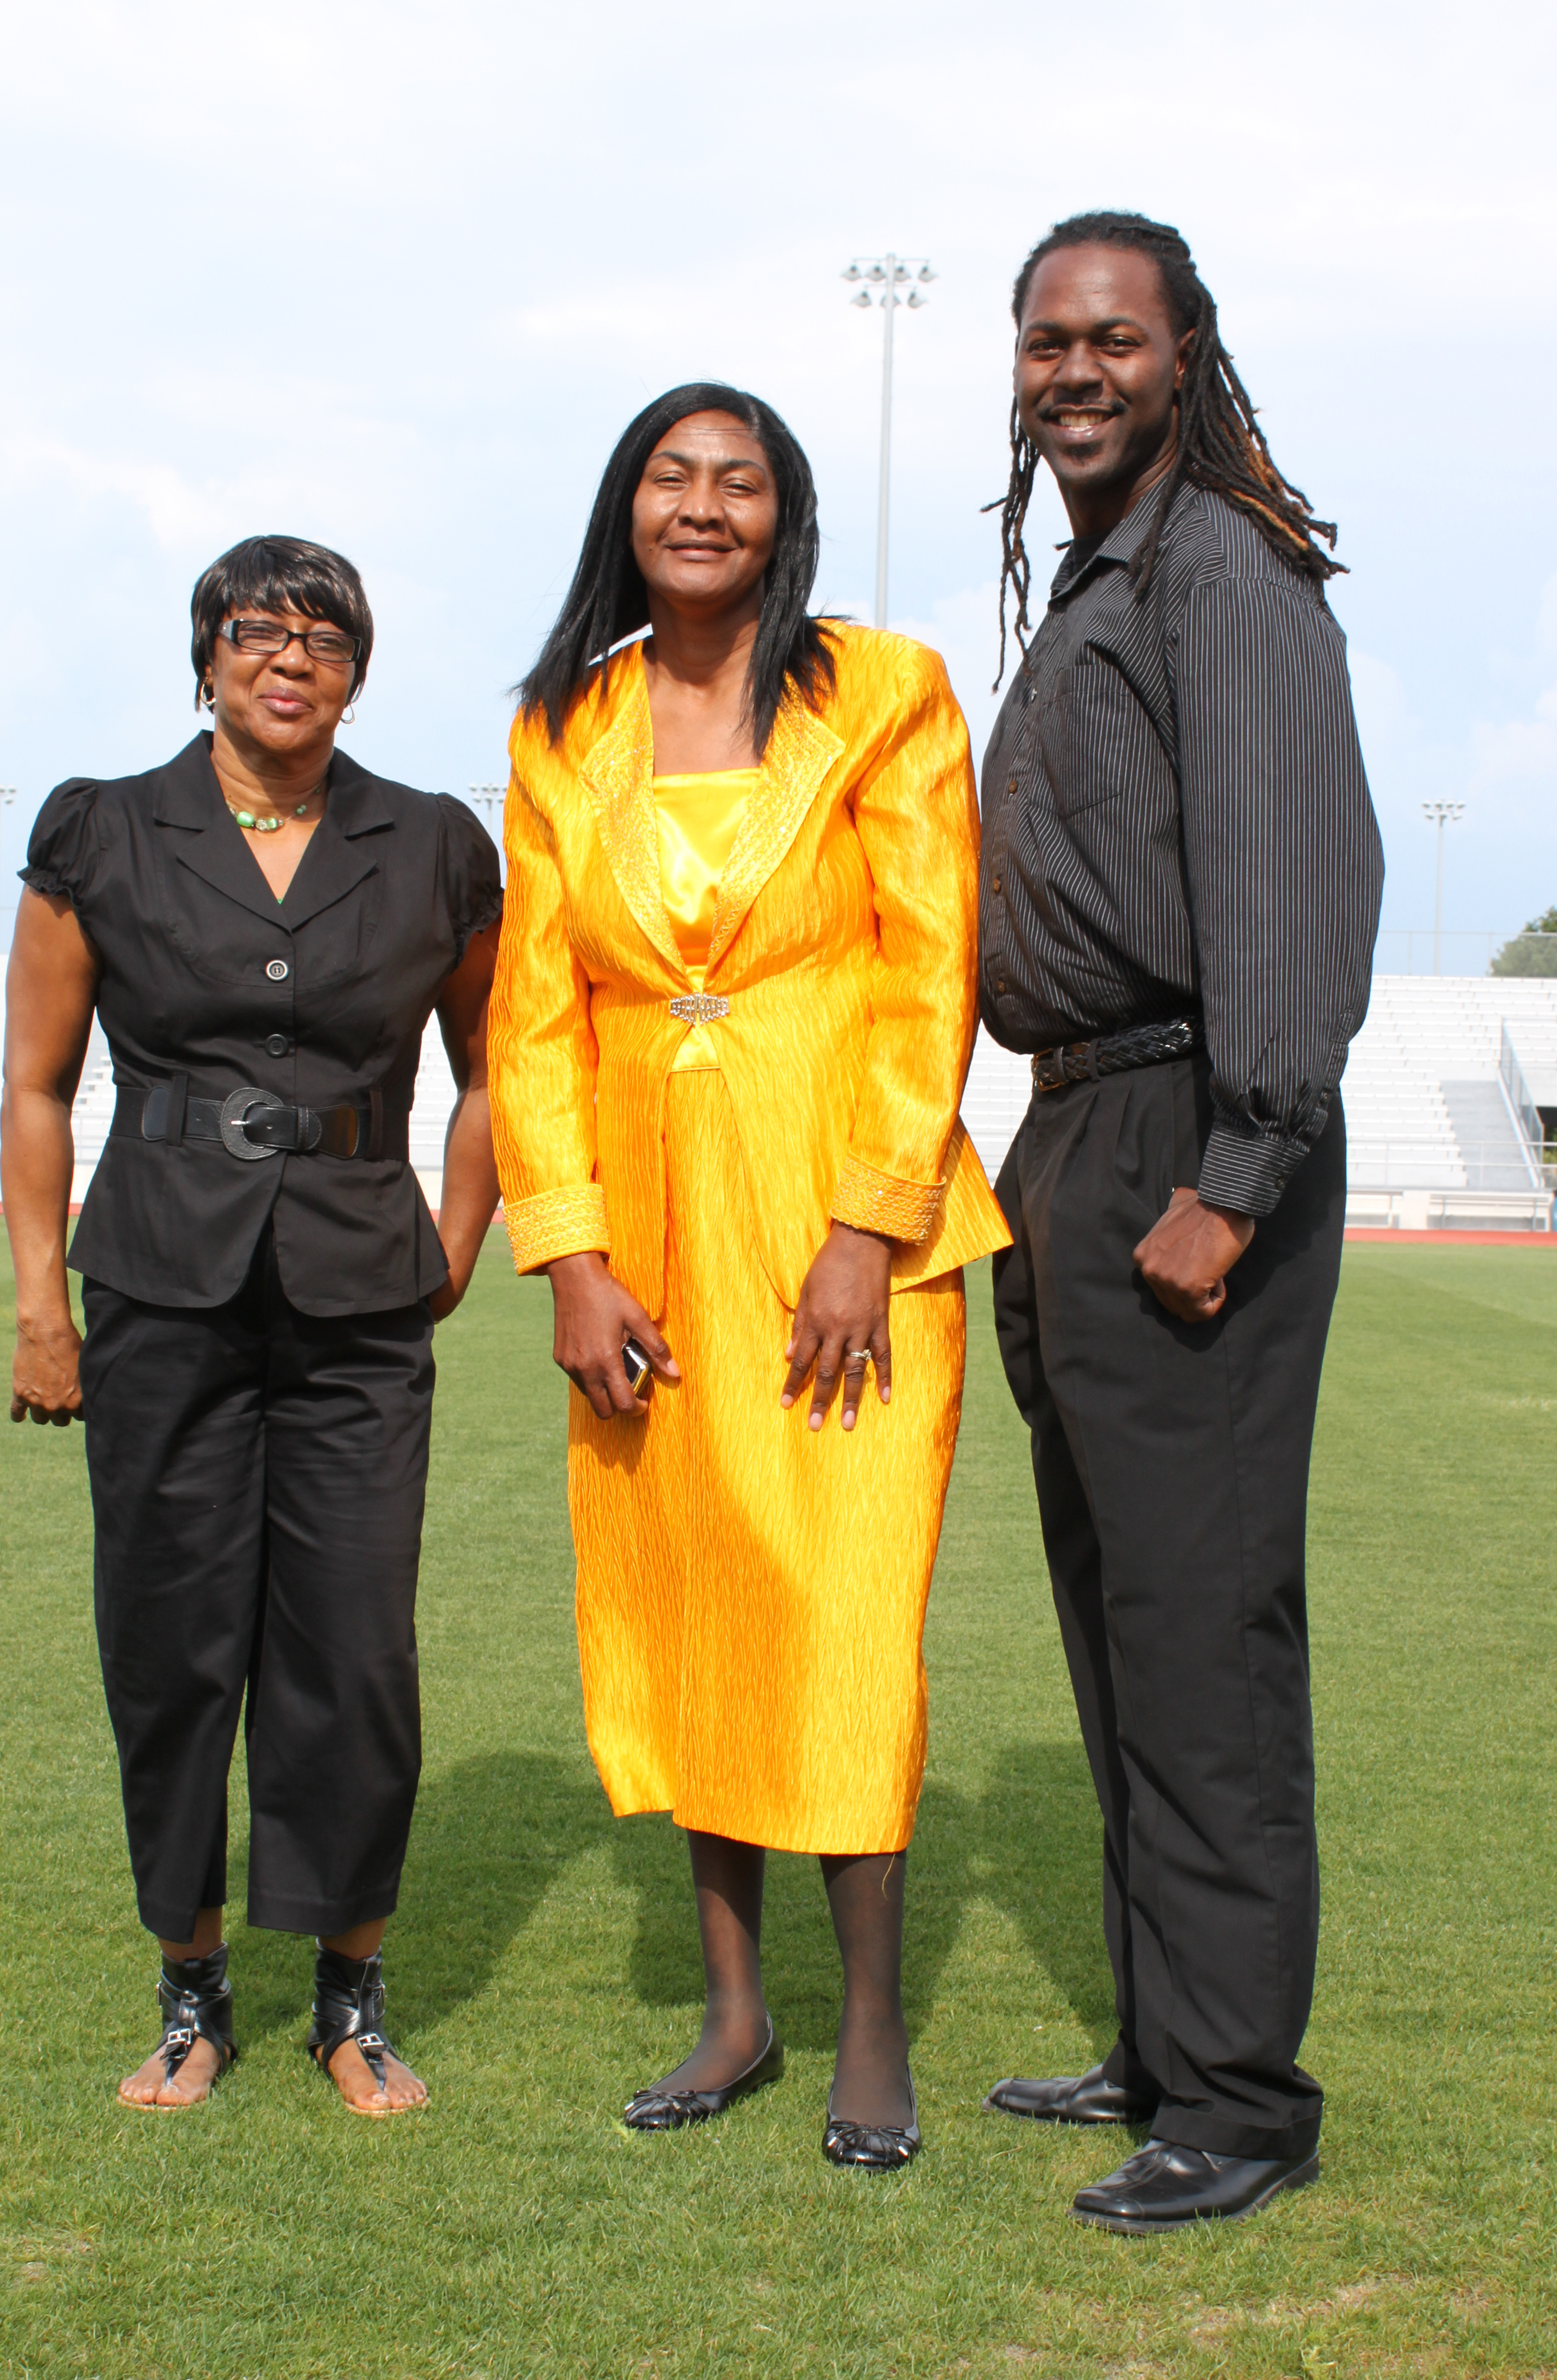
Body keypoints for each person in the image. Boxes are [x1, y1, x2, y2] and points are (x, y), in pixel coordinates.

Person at [488, 384, 1007, 2167]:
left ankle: (870, 2023)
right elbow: (533, 1014)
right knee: (696, 1596)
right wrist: (565, 1253)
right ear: (626, 506)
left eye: (742, 480)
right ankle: (734, 2010)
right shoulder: (569, 725)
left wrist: (868, 1223)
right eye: (669, 475)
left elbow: (930, 966)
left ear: (786, 515)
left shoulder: (882, 689)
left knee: (846, 1606)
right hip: (646, 1232)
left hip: (847, 1226)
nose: (703, 505)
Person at [975, 214, 1383, 2231]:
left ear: (1187, 350)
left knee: (1204, 1638)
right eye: (1047, 338)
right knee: (1125, 1624)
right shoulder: (1098, 582)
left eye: (1111, 338)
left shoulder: (1223, 567)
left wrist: (1235, 1176)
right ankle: (1161, 2037)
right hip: (1073, 1135)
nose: (1073, 369)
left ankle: (1238, 2100)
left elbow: (1297, 895)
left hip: (1184, 1134)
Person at [1, 534, 502, 2116]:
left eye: (323, 637)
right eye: (256, 632)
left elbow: (497, 1067)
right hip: (155, 1286)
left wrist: (461, 1238)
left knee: (354, 1650)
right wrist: (37, 1302)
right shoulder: (100, 830)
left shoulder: (430, 845)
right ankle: (193, 1990)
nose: (289, 659)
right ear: (206, 656)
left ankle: (347, 1997)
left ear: (359, 667)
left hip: (361, 1299)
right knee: (169, 1643)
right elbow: (33, 1081)